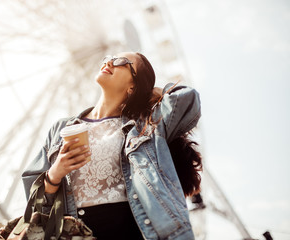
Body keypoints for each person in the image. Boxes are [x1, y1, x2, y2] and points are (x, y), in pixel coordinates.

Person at [22, 52, 202, 240]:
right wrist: (55, 175)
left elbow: (188, 99)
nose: (109, 62)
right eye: (108, 58)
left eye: (121, 62)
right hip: (76, 232)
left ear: (133, 85)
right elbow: (37, 208)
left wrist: (151, 92)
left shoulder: (143, 126)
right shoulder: (60, 129)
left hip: (131, 230)